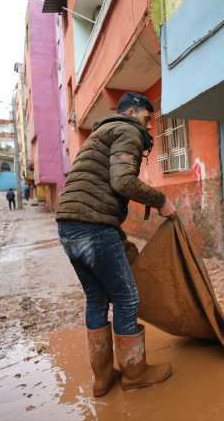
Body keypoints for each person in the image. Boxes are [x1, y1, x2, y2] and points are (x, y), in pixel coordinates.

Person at [56, 92, 177, 397]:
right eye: (148, 119)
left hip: (68, 227)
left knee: (97, 299)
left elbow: (97, 188)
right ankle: (134, 372)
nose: (149, 128)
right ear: (132, 112)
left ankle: (103, 377)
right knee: (126, 299)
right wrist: (160, 200)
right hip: (94, 227)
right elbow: (122, 181)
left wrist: (118, 237)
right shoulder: (127, 129)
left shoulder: (99, 134)